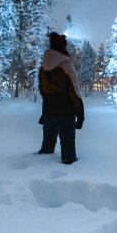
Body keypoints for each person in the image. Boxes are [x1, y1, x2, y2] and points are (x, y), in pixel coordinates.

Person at [37, 32, 84, 164]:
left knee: (46, 149)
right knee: (68, 155)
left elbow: (43, 92)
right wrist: (81, 114)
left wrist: (44, 113)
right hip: (65, 113)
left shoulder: (43, 68)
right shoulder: (66, 65)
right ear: (63, 47)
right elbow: (75, 90)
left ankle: (36, 172)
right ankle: (67, 179)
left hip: (48, 114)